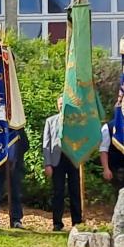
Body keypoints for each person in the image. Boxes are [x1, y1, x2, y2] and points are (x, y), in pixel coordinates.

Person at [43, 96, 82, 231]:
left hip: (72, 159)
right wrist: (47, 164)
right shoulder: (50, 121)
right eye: (59, 104)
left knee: (75, 191)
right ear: (57, 105)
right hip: (56, 161)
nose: (61, 106)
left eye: (63, 104)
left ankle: (77, 222)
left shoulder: (75, 122)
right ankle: (57, 223)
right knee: (58, 192)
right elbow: (46, 145)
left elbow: (81, 140)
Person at [0, 127, 29, 229]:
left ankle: (16, 220)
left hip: (14, 165)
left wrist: (15, 154)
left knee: (15, 192)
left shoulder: (18, 128)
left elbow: (26, 145)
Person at [98, 121, 124, 193]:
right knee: (121, 195)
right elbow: (103, 150)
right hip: (118, 170)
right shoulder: (108, 128)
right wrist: (106, 169)